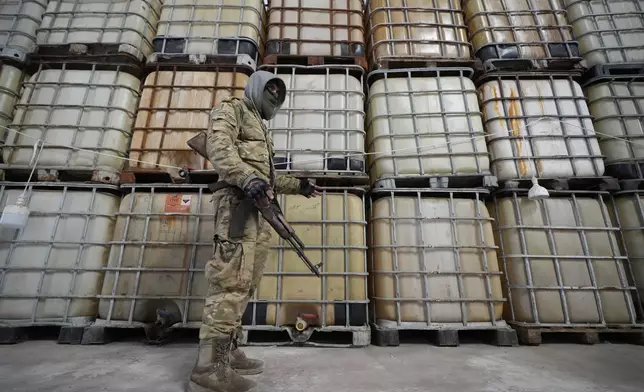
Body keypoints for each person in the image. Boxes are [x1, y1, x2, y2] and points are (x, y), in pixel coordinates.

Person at [188, 70, 322, 392]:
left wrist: (299, 186)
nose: (273, 98)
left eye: (279, 94)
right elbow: (220, 149)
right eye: (270, 91)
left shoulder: (261, 127)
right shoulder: (231, 110)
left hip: (259, 213)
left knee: (246, 284)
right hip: (237, 206)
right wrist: (247, 178)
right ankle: (208, 370)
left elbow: (268, 179)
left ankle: (229, 353)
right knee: (230, 282)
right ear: (256, 87)